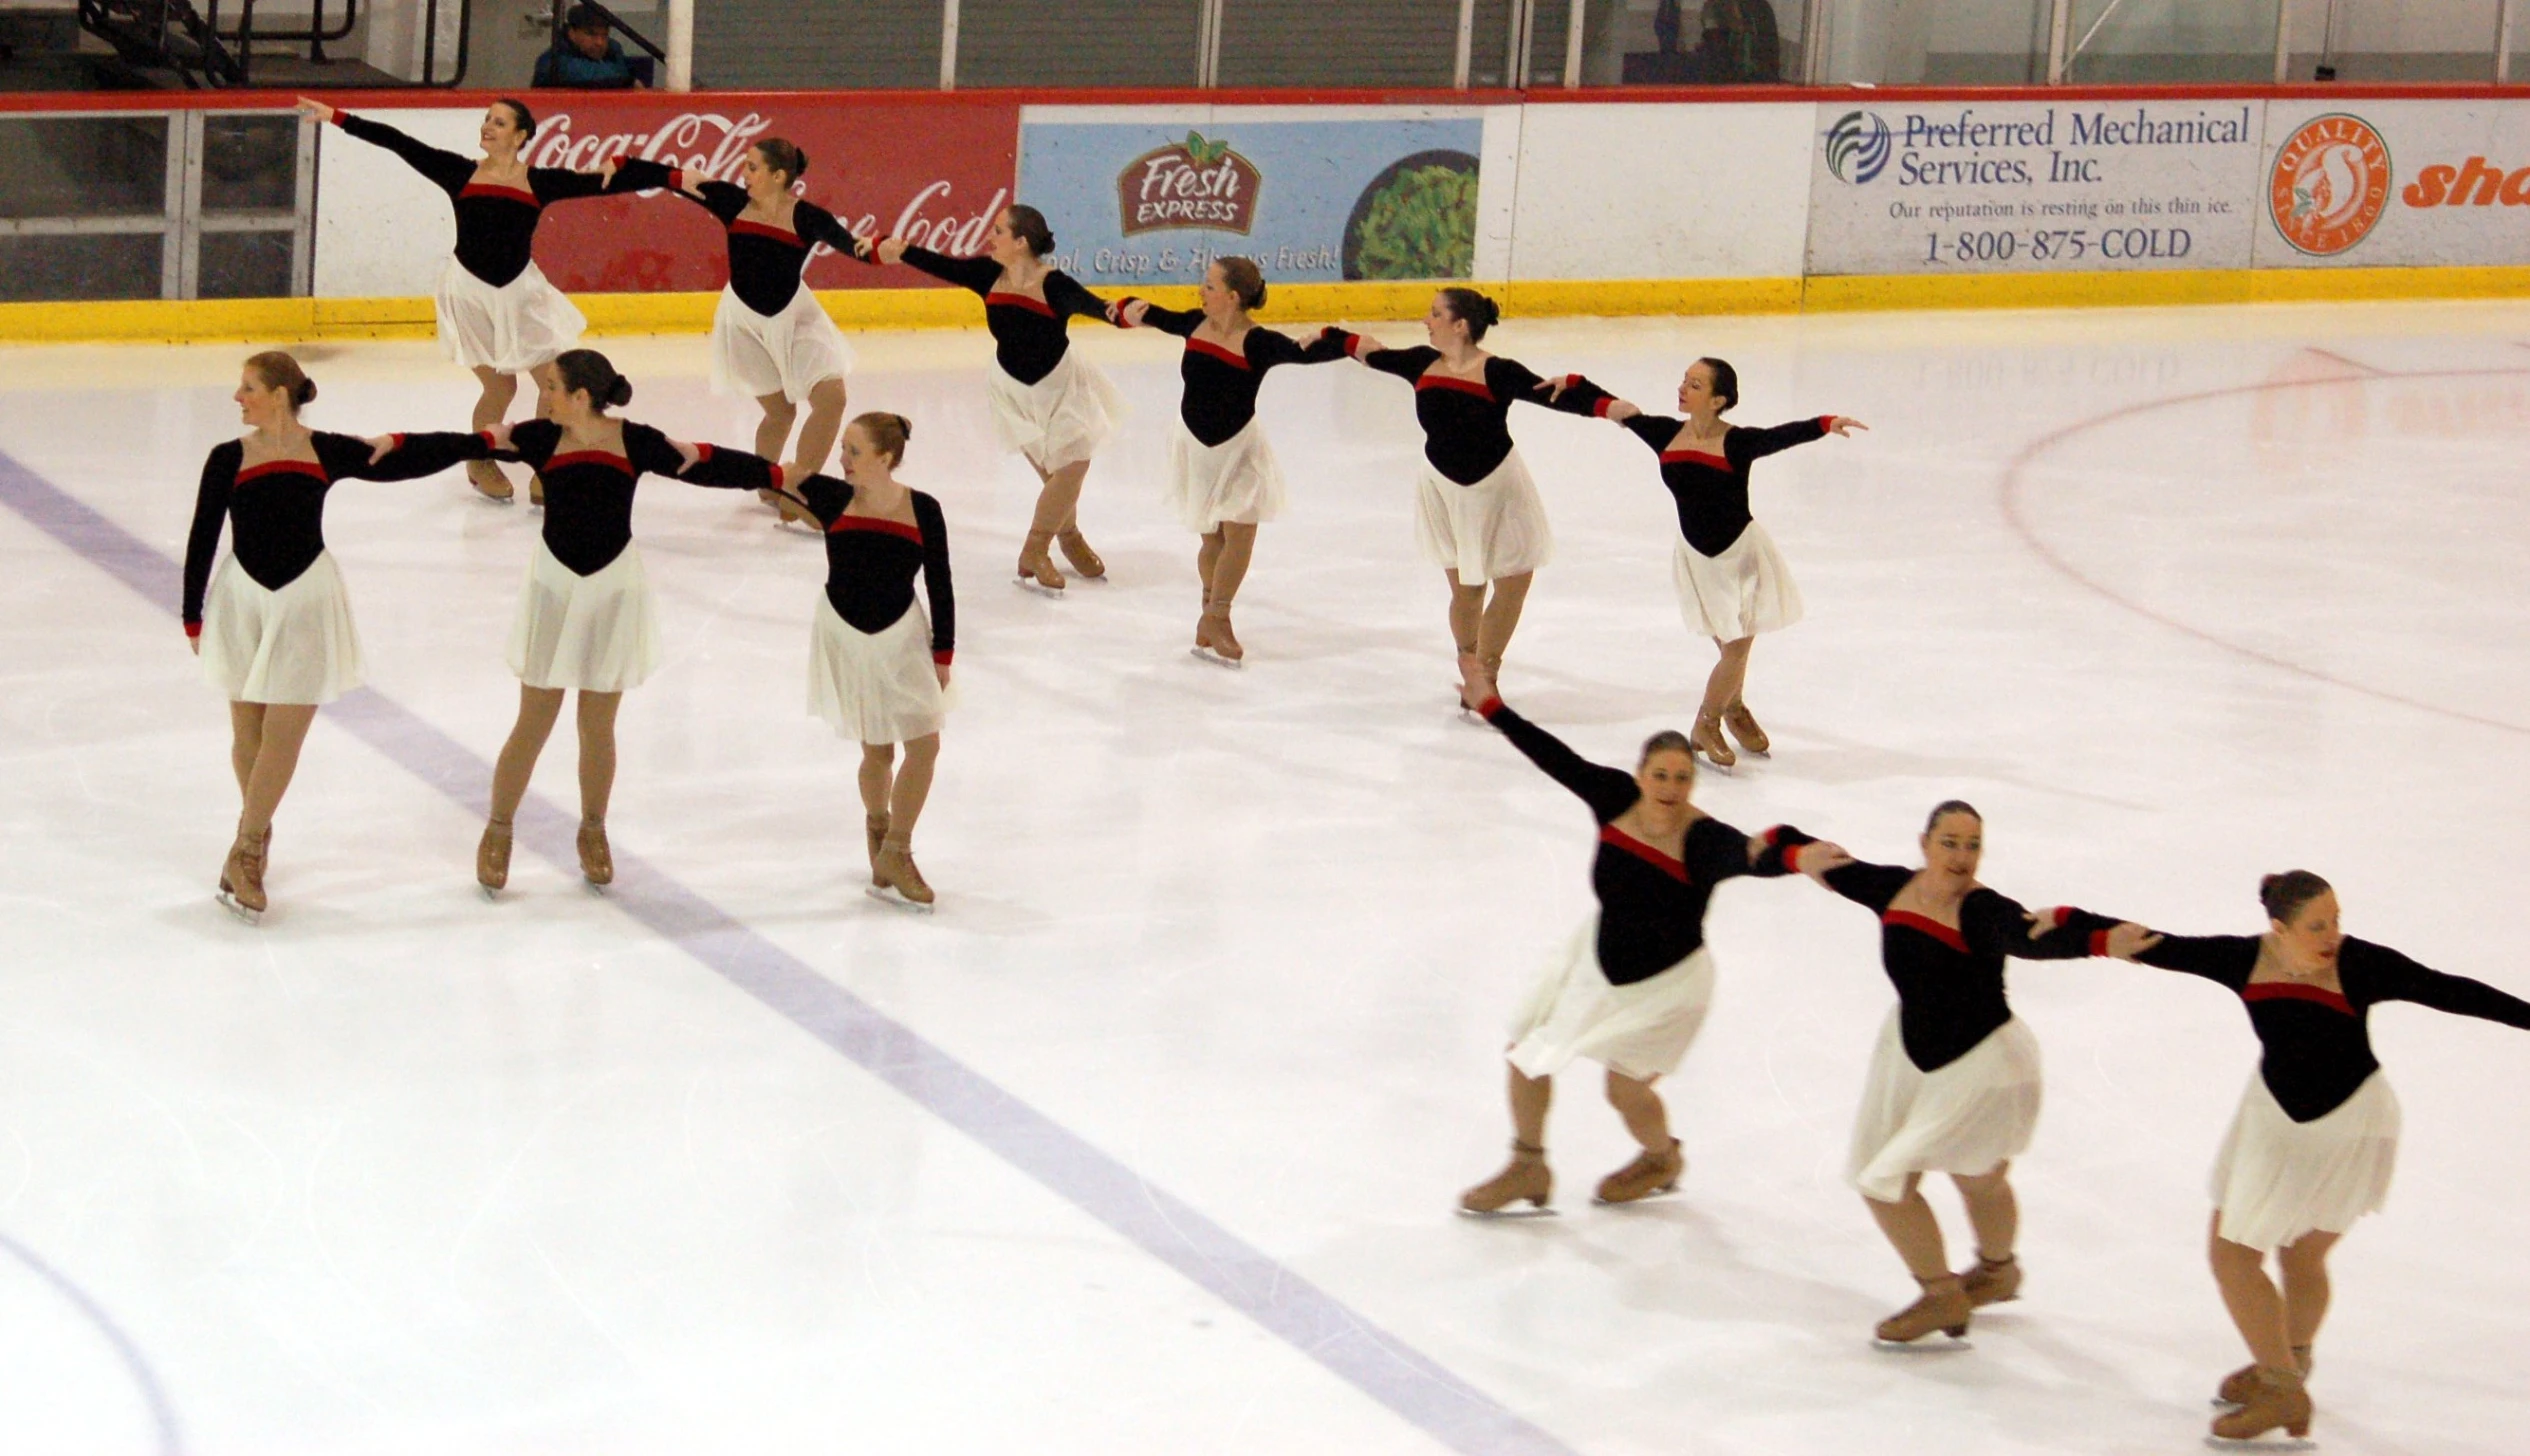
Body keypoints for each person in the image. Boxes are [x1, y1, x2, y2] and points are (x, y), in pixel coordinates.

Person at [2087, 873, 2530, 1443]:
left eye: (2337, 919)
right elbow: (2157, 944)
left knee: (2263, 1255)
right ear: (2279, 928)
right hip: (2274, 1120)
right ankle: (2287, 1371)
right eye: (2317, 925)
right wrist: (2074, 923)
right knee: (2259, 1254)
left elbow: (2451, 990)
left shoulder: (2360, 964)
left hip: (2347, 1125)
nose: (2332, 934)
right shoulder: (2244, 959)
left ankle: (2282, 1382)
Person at [1768, 806, 2123, 1346]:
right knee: (1907, 1177)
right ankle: (1995, 1274)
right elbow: (1830, 864)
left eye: (1972, 845)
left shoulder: (1982, 910)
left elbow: (2033, 938)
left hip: (1983, 1065)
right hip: (1913, 1054)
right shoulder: (1892, 887)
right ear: (1925, 843)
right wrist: (1790, 849)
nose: (1961, 856)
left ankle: (1948, 1291)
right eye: (1950, 843)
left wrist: (2097, 938)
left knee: (1962, 1178)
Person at [1453, 656, 1795, 1215]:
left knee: (1625, 1091)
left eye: (1681, 778)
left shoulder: (1703, 840)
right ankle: (1528, 1163)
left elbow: (1755, 859)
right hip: (1595, 959)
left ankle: (1661, 1157)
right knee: (1525, 1057)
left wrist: (1798, 854)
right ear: (1640, 776)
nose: (1669, 787)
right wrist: (1492, 706)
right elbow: (1555, 758)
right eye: (1659, 775)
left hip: (1667, 985)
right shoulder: (1614, 798)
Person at [181, 351, 499, 921]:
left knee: (284, 735)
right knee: (248, 731)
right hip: (243, 601)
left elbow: (402, 457)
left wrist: (479, 442)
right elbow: (203, 533)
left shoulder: (324, 450)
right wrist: (191, 615)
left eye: (248, 387)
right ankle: (255, 832)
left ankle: (246, 850)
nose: (238, 397)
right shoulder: (227, 458)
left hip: (306, 600)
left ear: (280, 394)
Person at [472, 349, 777, 893]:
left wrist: (775, 474)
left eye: (551, 387)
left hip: (614, 589)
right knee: (534, 722)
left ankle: (592, 828)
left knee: (597, 724)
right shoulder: (540, 438)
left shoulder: (634, 440)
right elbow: (459, 446)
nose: (544, 396)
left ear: (581, 396)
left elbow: (704, 465)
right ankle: (498, 829)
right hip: (554, 590)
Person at [296, 95, 630, 504]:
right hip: (469, 294)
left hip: (521, 295)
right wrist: (338, 117)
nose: (488, 127)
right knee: (500, 388)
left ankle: (546, 462)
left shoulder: (539, 182)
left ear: (521, 135)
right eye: (487, 119)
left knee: (551, 382)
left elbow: (602, 183)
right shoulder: (459, 173)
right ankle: (480, 460)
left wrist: (665, 177)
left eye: (500, 123)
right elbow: (399, 142)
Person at [1546, 360, 1861, 768]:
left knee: (1736, 648)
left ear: (1718, 400)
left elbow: (1779, 437)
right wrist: (1574, 383)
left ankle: (1706, 723)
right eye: (1684, 380)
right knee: (1732, 649)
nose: (1682, 388)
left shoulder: (1738, 443)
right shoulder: (1663, 433)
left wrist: (1824, 423)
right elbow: (1616, 408)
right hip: (1699, 562)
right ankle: (1733, 706)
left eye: (1694, 385)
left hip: (1742, 558)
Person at [1306, 290, 1563, 706]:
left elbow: (1551, 393)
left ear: (1460, 325)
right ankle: (1470, 669)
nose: (1427, 321)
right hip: (1444, 489)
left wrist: (1602, 403)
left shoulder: (1498, 372)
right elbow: (1371, 352)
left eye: (1435, 314)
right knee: (1467, 589)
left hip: (1499, 487)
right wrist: (1328, 333)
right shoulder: (1421, 364)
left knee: (1513, 583)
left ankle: (1486, 673)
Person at [608, 140, 869, 522]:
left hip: (795, 317)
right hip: (743, 320)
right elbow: (671, 180)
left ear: (778, 176)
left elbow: (856, 247)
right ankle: (768, 480)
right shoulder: (731, 201)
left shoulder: (809, 217)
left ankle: (802, 489)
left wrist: (884, 250)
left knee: (831, 399)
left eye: (752, 168)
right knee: (779, 412)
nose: (743, 174)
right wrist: (621, 163)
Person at [873, 207, 1127, 594]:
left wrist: (1123, 313)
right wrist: (902, 250)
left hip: (1062, 387)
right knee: (1053, 478)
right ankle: (1069, 535)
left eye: (998, 231)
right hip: (1012, 391)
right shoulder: (988, 275)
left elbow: (1094, 306)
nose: (991, 238)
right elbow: (943, 266)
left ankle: (1035, 549)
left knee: (1072, 467)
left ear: (1021, 241)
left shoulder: (1054, 285)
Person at [768, 414, 954, 908]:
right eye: (843, 448)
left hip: (902, 637)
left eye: (852, 450)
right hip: (846, 635)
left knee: (925, 743)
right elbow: (765, 478)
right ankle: (879, 826)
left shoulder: (923, 509)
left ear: (885, 458)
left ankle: (897, 848)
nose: (841, 457)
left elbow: (940, 581)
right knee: (877, 751)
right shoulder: (832, 497)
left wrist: (944, 651)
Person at [1117, 256, 1336, 664]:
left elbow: (1303, 354)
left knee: (1240, 531)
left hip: (1239, 450)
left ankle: (1219, 616)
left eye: (1210, 286)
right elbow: (1146, 313)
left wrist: (1343, 342)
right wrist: (1126, 308)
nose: (1201, 290)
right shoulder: (1192, 324)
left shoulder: (1258, 342)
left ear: (1233, 297)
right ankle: (1207, 614)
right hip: (1196, 449)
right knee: (1212, 537)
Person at [532, 4, 645, 90]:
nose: (600, 42)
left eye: (604, 35)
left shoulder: (613, 48)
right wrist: (628, 82)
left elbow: (621, 75)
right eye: (591, 34)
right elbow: (582, 74)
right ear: (572, 32)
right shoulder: (552, 60)